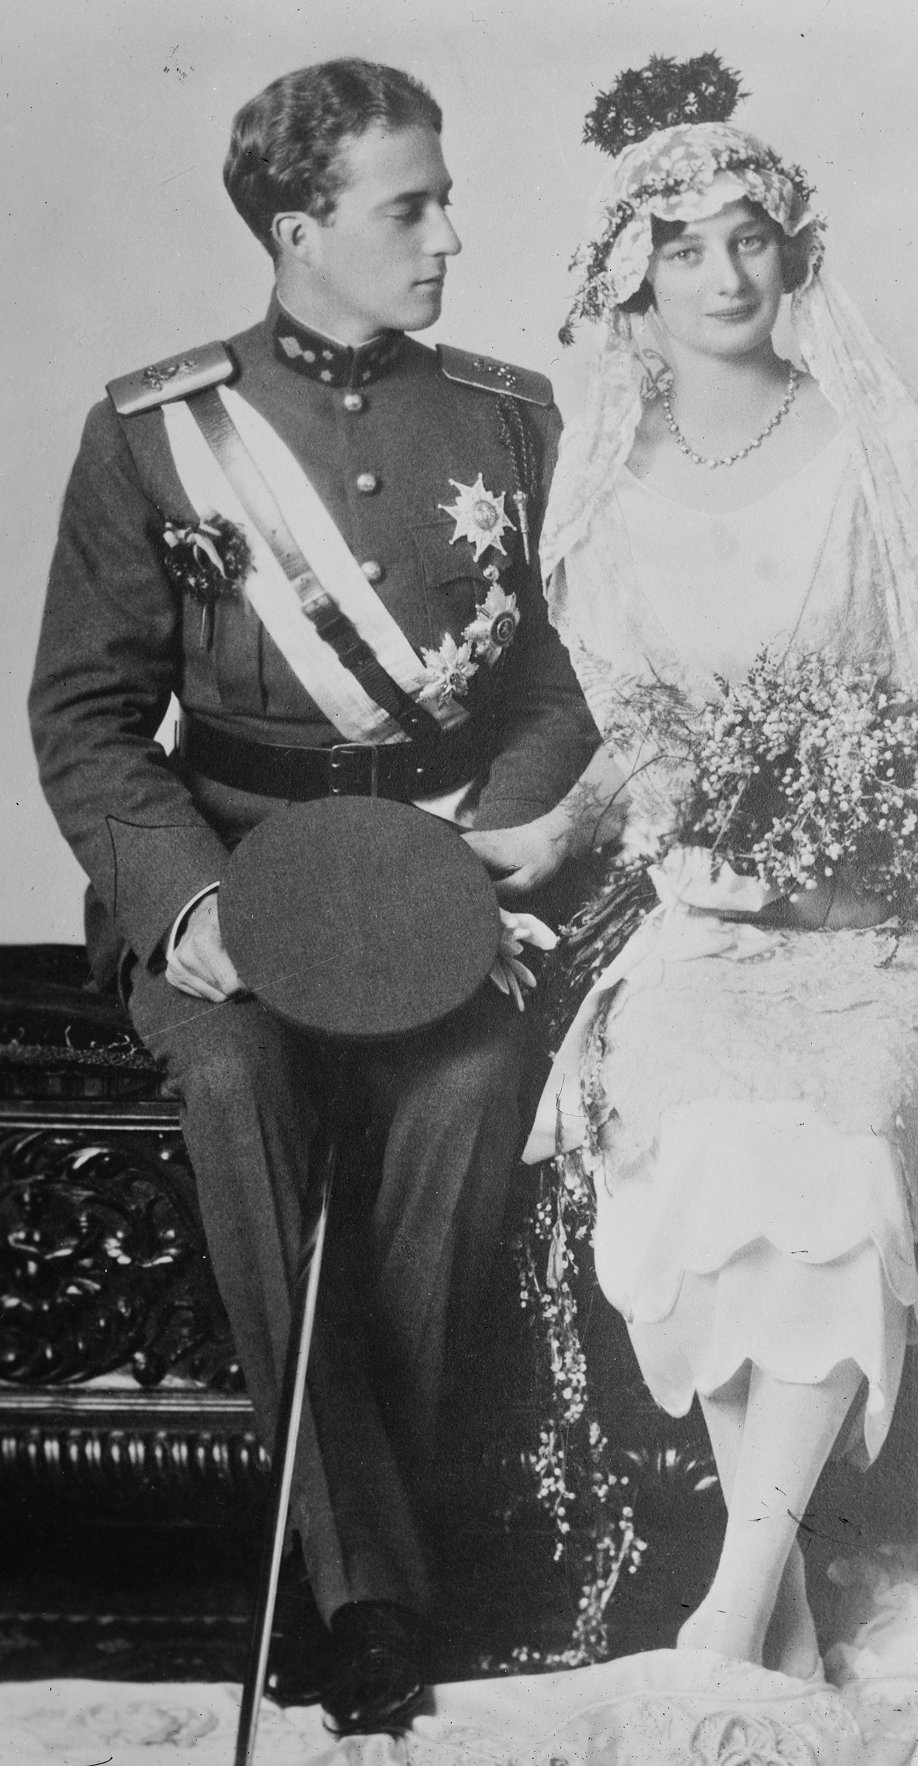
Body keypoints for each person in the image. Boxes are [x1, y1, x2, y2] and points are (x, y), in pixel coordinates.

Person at [465, 57, 918, 1750]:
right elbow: (630, 729)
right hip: (700, 921)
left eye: (753, 241)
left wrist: (872, 843)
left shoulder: (869, 442)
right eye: (688, 246)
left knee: (839, 1130)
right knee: (700, 1130)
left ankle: (733, 1598)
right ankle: (774, 1605)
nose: (727, 275)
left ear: (795, 258)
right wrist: (567, 833)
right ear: (628, 274)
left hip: (879, 926)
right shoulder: (605, 477)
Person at [28, 58, 597, 1736]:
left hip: (435, 876)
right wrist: (189, 909)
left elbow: (556, 689)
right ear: (299, 228)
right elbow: (84, 715)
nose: (450, 239)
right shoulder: (154, 432)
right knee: (237, 1074)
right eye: (409, 207)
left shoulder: (508, 416)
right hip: (237, 881)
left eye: (442, 201)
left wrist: (486, 854)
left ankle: (359, 1582)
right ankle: (378, 1595)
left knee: (478, 1078)